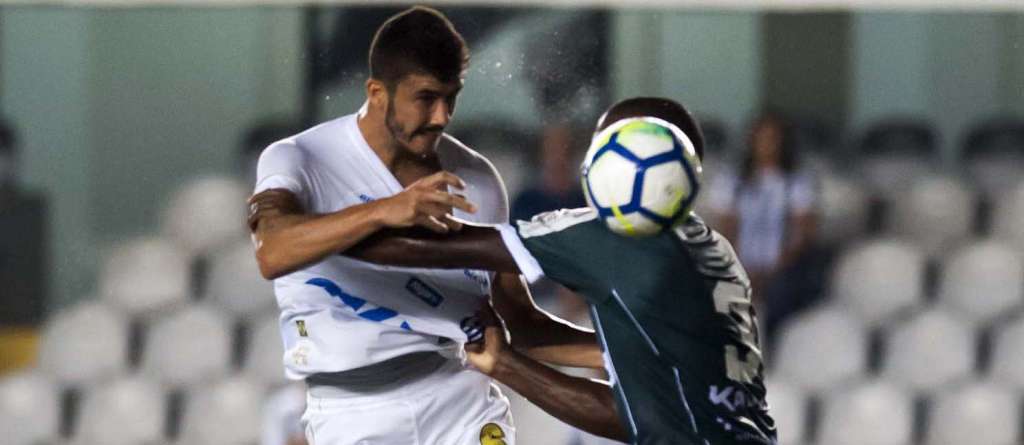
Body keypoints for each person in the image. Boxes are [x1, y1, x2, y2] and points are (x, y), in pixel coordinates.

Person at [247, 7, 600, 445]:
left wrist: (618, 352)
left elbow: (522, 324)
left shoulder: (478, 179)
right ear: (377, 92)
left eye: (451, 97)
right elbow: (272, 250)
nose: (441, 116)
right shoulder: (300, 157)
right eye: (426, 97)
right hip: (351, 412)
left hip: (459, 399)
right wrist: (385, 210)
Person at [347, 97, 778, 445]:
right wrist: (502, 298)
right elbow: (557, 339)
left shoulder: (611, 239)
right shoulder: (715, 251)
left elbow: (412, 250)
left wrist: (330, 225)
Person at [706, 111, 820, 339]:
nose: (766, 145)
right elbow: (724, 230)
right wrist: (742, 268)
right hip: (739, 265)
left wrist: (771, 272)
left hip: (782, 270)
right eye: (761, 138)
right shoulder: (732, 181)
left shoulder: (797, 182)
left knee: (782, 295)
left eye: (773, 139)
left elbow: (802, 234)